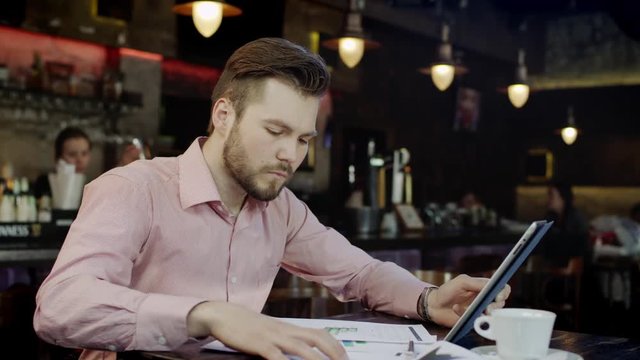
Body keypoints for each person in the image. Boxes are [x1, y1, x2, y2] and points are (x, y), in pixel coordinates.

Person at [33, 38, 510, 360]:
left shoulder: (280, 209)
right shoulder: (134, 189)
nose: (290, 155)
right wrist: (205, 314)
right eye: (275, 131)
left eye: (303, 139)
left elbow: (359, 272)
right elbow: (59, 306)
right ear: (223, 115)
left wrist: (428, 300)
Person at [33, 126, 92, 200]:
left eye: (84, 153)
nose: (80, 160)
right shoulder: (44, 185)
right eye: (72, 154)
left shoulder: (93, 187)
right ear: (58, 157)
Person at [540, 181, 590, 266]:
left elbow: (578, 249)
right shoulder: (550, 218)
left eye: (551, 196)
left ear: (563, 198)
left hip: (571, 269)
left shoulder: (576, 219)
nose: (548, 200)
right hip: (552, 266)